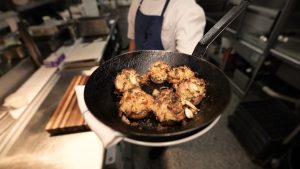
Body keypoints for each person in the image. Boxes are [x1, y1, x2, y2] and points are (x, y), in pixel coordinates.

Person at [127, 0, 206, 55]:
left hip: (168, 77)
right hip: (136, 73)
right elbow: (133, 43)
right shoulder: (137, 2)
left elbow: (187, 65)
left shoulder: (189, 10)